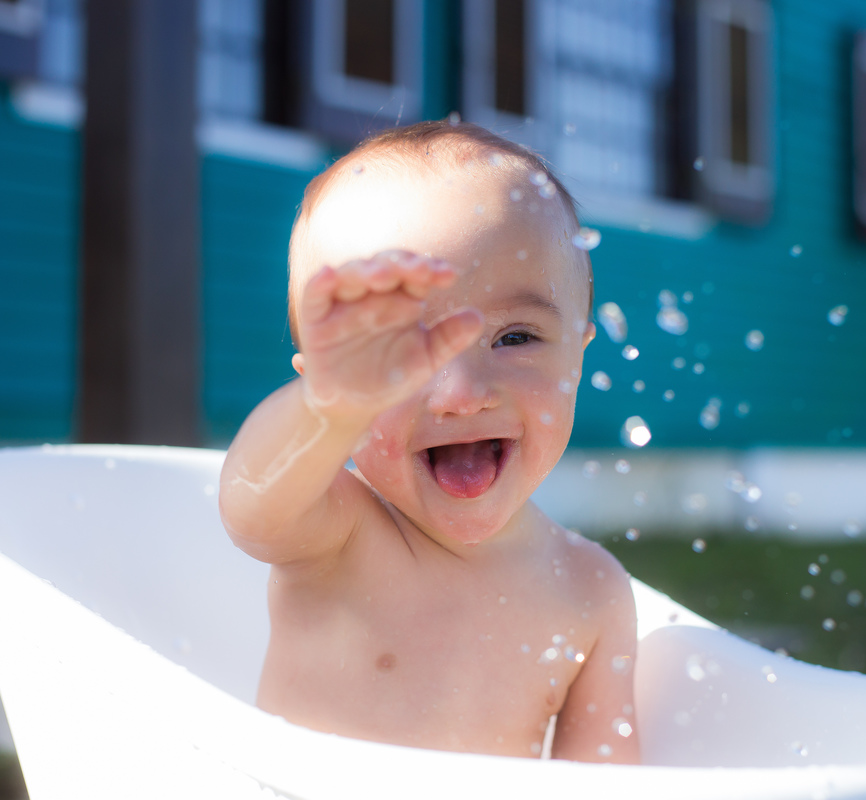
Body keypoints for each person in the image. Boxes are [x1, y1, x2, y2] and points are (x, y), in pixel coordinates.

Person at [219, 120, 639, 764]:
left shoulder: (592, 592)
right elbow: (249, 505)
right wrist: (325, 415)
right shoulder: (338, 533)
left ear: (578, 357)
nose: (461, 393)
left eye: (516, 337)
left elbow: (607, 785)